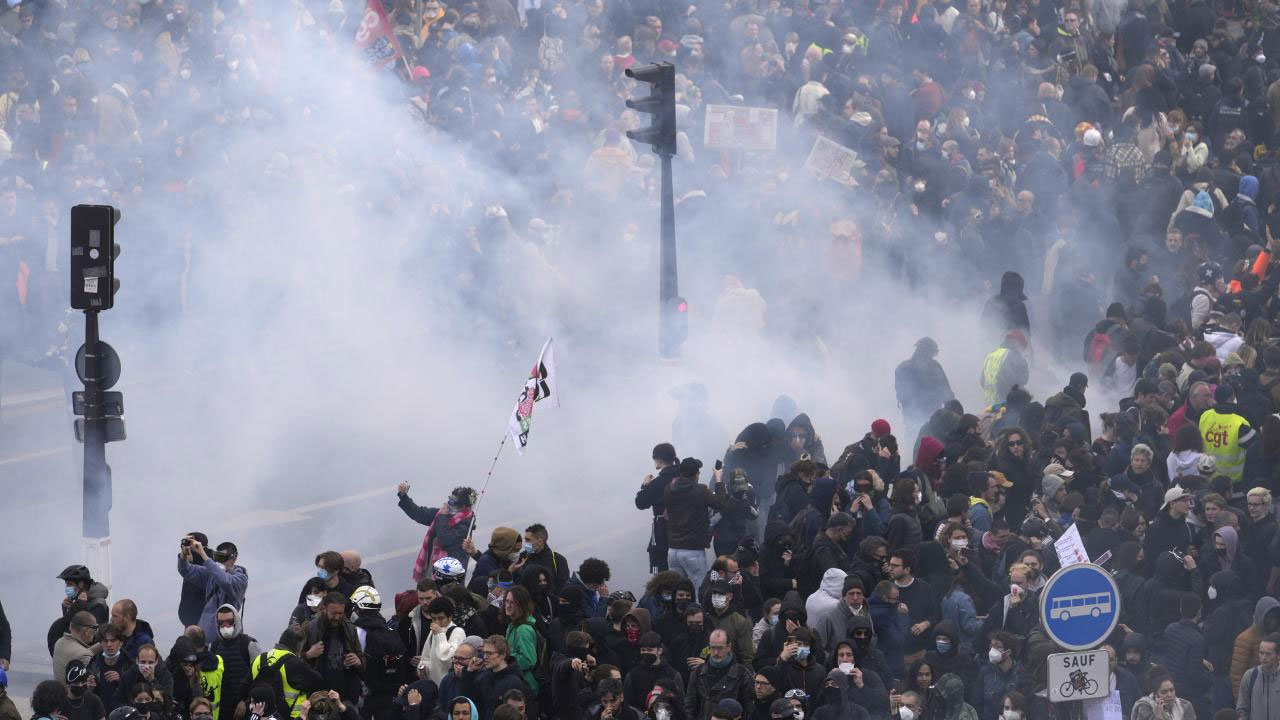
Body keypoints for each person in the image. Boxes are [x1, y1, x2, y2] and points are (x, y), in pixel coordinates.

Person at [664, 458, 737, 592]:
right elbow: (720, 503)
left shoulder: (669, 489)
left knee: (679, 592)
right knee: (700, 591)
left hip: (673, 551)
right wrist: (718, 479)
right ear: (696, 474)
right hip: (692, 551)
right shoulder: (700, 490)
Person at [396, 484, 476, 583]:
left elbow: (446, 540)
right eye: (449, 499)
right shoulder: (443, 515)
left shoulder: (465, 525)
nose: (448, 503)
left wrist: (442, 517)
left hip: (449, 578)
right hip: (433, 571)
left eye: (452, 501)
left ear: (463, 506)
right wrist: (403, 496)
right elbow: (420, 513)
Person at [177, 537, 249, 643]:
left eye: (222, 557)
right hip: (205, 637)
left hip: (227, 637)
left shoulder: (240, 579)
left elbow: (226, 581)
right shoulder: (211, 573)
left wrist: (203, 554)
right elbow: (186, 570)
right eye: (217, 557)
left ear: (234, 558)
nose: (219, 561)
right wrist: (183, 554)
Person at [300, 593, 364, 701]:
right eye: (333, 613)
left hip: (347, 697)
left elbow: (362, 661)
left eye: (340, 613)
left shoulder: (350, 629)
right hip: (320, 698)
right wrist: (308, 654)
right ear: (324, 609)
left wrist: (358, 661)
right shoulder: (310, 628)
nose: (337, 617)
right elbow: (294, 661)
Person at [685, 629, 751, 720]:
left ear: (729, 647)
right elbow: (690, 706)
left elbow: (749, 708)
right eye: (712, 648)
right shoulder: (698, 672)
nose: (716, 652)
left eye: (720, 648)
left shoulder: (742, 673)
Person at [895, 337, 956, 435]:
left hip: (915, 416)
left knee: (914, 438)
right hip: (929, 416)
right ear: (926, 351)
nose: (932, 356)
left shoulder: (902, 367)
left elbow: (946, 391)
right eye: (932, 353)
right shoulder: (934, 367)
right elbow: (946, 391)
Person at [636, 443, 682, 573]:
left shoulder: (658, 482)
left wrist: (645, 485)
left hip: (663, 531)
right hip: (686, 531)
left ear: (659, 460)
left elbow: (641, 503)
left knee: (663, 572)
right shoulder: (685, 477)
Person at [980, 331, 1031, 406]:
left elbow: (982, 381)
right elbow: (1023, 379)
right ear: (1017, 344)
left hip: (989, 404)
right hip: (1006, 404)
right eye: (1022, 347)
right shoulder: (1016, 356)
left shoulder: (991, 356)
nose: (1022, 351)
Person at [54, 612, 100, 683]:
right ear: (87, 630)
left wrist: (103, 643)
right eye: (95, 628)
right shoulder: (84, 655)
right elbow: (93, 683)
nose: (95, 632)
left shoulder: (60, 642)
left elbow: (79, 652)